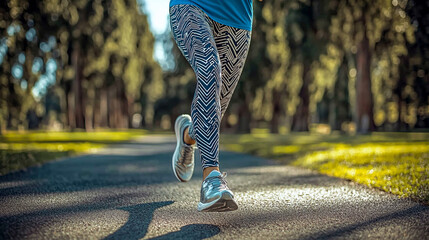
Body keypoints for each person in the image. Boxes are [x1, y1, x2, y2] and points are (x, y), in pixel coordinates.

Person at [170, 0, 253, 212]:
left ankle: (188, 135)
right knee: (210, 69)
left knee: (211, 113)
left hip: (237, 19)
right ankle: (211, 180)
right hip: (190, 6)